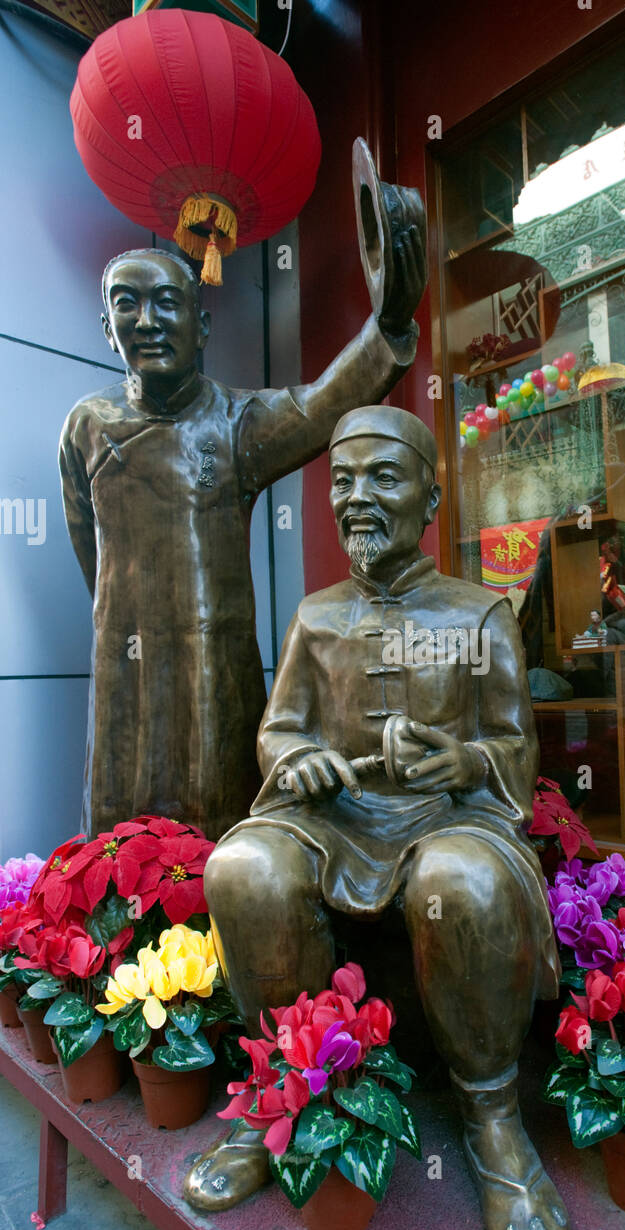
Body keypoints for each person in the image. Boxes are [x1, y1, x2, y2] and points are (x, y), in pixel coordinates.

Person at [185, 405, 569, 1230]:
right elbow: (276, 733)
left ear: (430, 496)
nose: (357, 498)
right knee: (245, 865)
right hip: (336, 820)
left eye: (382, 478)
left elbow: (515, 750)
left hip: (446, 818)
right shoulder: (317, 617)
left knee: (462, 880)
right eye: (343, 480)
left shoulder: (479, 616)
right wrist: (303, 757)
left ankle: (492, 1122)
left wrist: (463, 757)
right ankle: (277, 1090)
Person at [59, 168, 425, 842]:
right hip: (124, 659)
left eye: (167, 303)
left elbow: (322, 404)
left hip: (213, 658)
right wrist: (125, 618)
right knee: (117, 831)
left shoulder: (237, 423)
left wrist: (387, 326)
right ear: (107, 328)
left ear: (200, 326)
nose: (147, 321)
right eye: (126, 304)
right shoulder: (87, 424)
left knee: (219, 818)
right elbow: (92, 552)